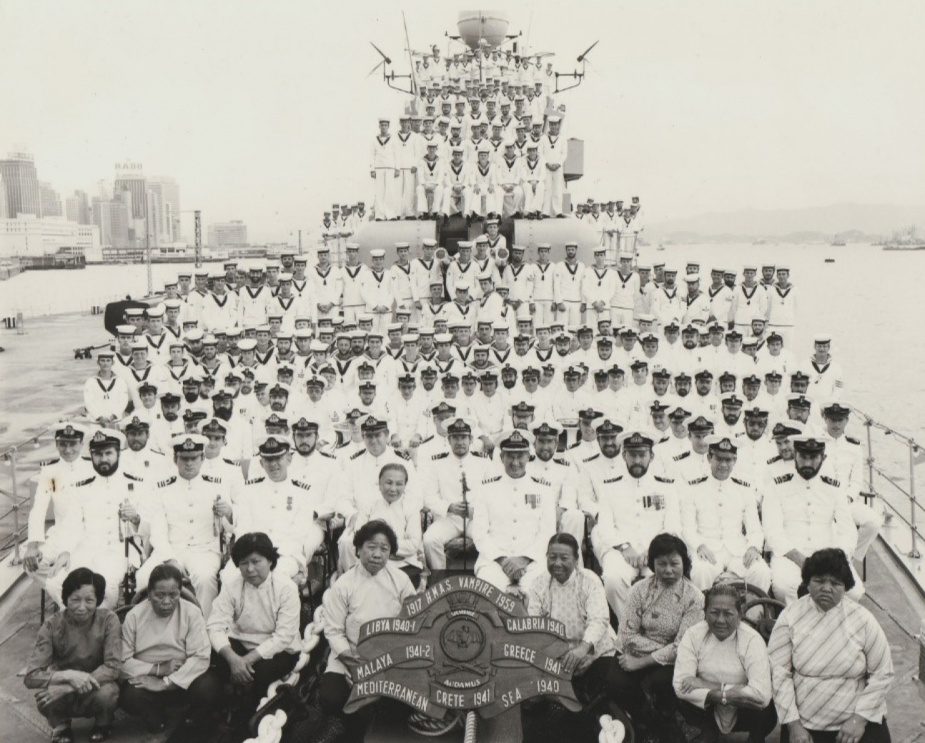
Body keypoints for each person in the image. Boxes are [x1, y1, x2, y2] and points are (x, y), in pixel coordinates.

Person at [768, 548, 893, 743]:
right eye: (819, 580)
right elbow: (779, 674)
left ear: (845, 587)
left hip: (857, 721)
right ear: (808, 583)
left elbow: (883, 673)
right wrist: (793, 725)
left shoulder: (863, 620)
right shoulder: (789, 617)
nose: (827, 588)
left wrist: (858, 720)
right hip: (805, 724)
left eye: (835, 583)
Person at [320, 520, 416, 741]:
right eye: (371, 547)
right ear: (358, 549)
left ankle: (381, 724)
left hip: (389, 656)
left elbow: (413, 620)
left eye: (384, 549)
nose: (377, 554)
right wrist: (355, 665)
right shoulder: (343, 585)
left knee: (404, 702)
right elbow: (334, 632)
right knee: (331, 697)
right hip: (351, 656)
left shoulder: (400, 580)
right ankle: (353, 730)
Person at [607, 533, 704, 742]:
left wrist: (640, 662)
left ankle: (665, 720)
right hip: (640, 651)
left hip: (667, 661)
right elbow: (627, 635)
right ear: (652, 564)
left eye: (674, 563)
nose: (668, 570)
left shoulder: (694, 597)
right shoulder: (639, 590)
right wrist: (664, 646)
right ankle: (647, 720)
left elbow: (682, 648)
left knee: (663, 682)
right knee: (615, 681)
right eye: (661, 564)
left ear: (684, 563)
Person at [206, 532, 301, 726]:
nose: (250, 569)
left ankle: (247, 717)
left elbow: (283, 637)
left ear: (270, 561)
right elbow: (215, 625)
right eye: (243, 563)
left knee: (261, 673)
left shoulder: (286, 588)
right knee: (214, 658)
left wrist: (245, 662)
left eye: (256, 561)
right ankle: (225, 704)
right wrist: (234, 660)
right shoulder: (232, 586)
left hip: (279, 650)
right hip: (241, 645)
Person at [119, 563, 219, 736]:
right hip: (149, 678)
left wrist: (167, 682)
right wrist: (158, 669)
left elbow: (201, 656)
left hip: (183, 677)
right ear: (149, 594)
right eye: (159, 595)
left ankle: (193, 717)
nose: (167, 601)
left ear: (180, 593)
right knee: (130, 696)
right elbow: (122, 661)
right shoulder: (134, 616)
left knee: (207, 687)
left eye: (173, 595)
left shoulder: (192, 613)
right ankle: (158, 718)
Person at [24, 568, 121, 743]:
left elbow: (113, 667)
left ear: (98, 601)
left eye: (90, 600)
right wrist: (67, 676)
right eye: (75, 599)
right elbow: (31, 677)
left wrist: (71, 686)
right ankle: (61, 726)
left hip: (96, 687)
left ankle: (103, 723)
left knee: (109, 693)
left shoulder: (109, 620)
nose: (82, 607)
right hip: (64, 689)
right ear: (65, 599)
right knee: (45, 696)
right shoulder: (51, 625)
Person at [674, 583, 777, 742]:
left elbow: (761, 695)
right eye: (714, 612)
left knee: (766, 705)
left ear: (740, 614)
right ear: (705, 613)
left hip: (745, 711)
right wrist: (725, 695)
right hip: (711, 706)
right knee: (682, 695)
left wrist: (708, 685)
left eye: (728, 613)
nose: (720, 620)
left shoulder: (752, 640)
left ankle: (756, 737)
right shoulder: (693, 635)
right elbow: (680, 685)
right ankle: (709, 730)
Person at [526, 533, 616, 701]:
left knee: (602, 686)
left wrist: (583, 651)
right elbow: (534, 626)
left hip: (593, 653)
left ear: (576, 560)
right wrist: (556, 659)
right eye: (552, 557)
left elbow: (599, 619)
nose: (557, 564)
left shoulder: (589, 580)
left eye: (564, 558)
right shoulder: (538, 584)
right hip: (557, 657)